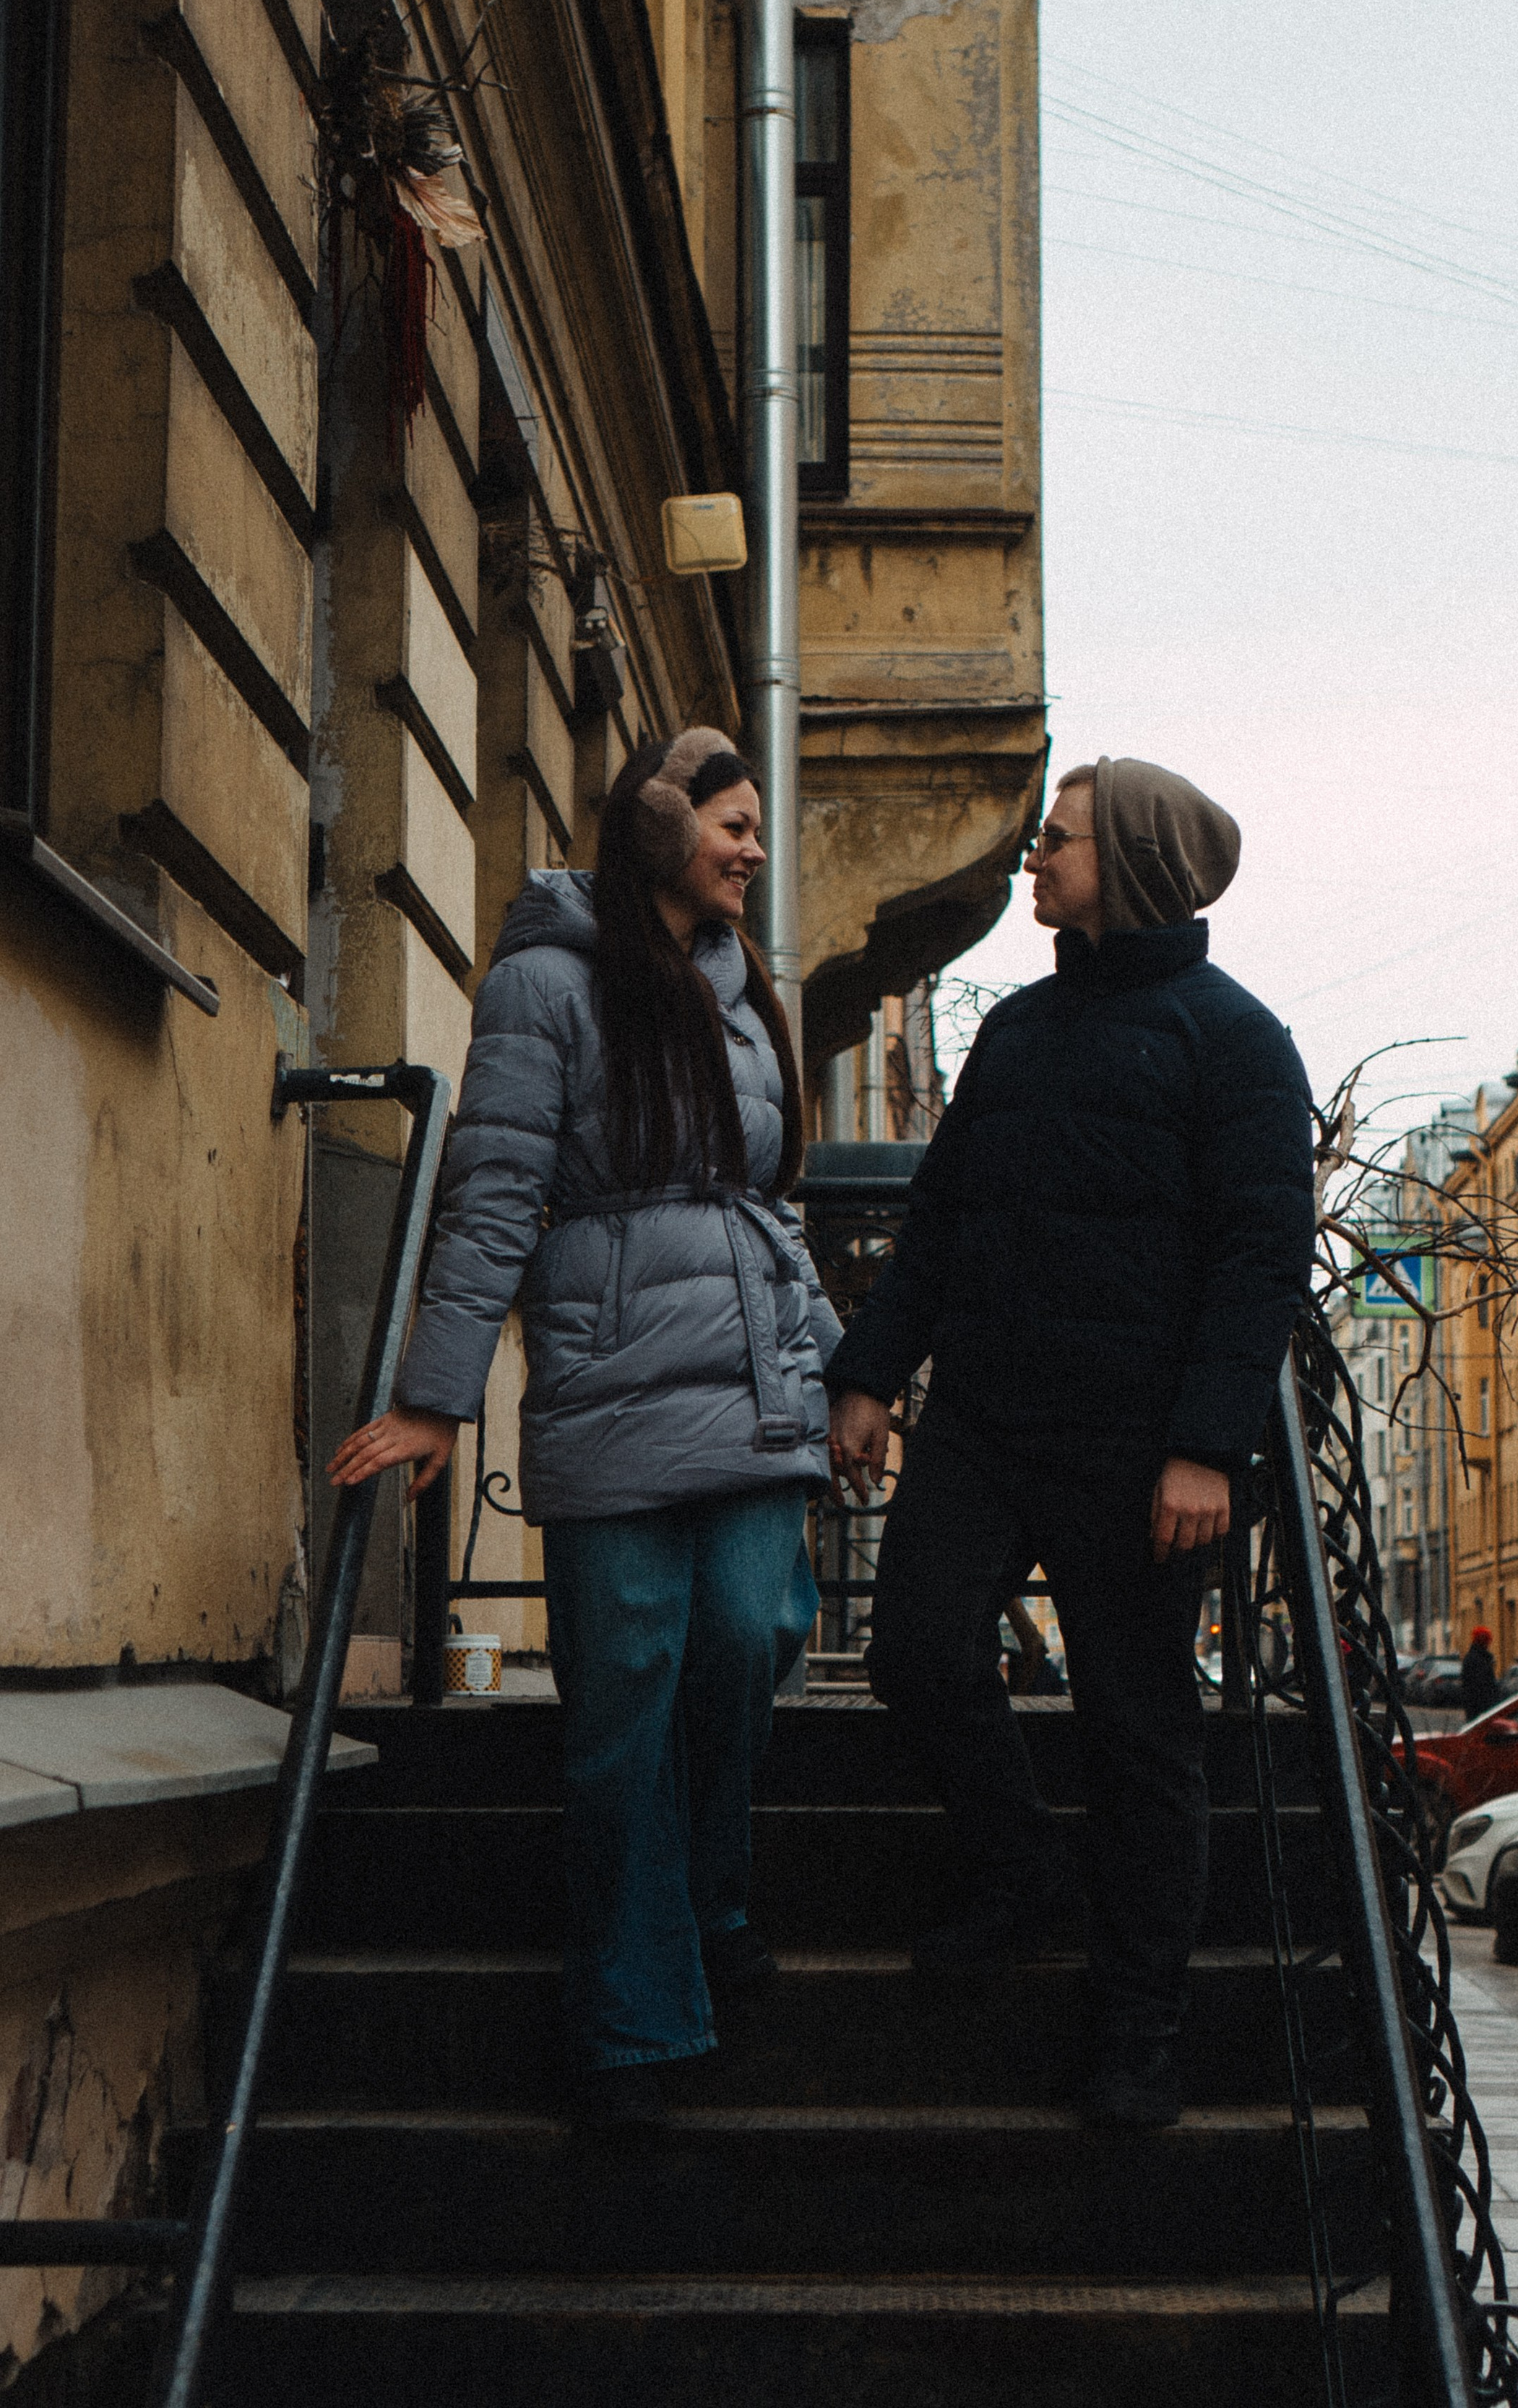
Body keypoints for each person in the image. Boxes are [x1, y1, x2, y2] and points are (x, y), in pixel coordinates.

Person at [327, 729, 839, 2128]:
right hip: (612, 1386)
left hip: (751, 1385)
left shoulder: (742, 990)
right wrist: (436, 1398)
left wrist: (842, 1373)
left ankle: (715, 1905)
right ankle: (632, 2023)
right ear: (660, 826)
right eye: (732, 824)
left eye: (754, 829)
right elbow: (493, 1193)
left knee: (749, 1640)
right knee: (621, 1705)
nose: (750, 850)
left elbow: (768, 1213)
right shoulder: (545, 984)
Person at [827, 757, 1315, 2129]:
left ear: (1137, 861)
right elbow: (939, 1223)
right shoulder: (1020, 1032)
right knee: (916, 1652)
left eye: (1060, 838)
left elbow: (1259, 1258)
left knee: (1140, 1734)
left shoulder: (1236, 1040)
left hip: (1142, 1450)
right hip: (983, 1421)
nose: (1035, 857)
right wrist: (869, 1374)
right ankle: (1022, 1870)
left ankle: (1138, 2026)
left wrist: (1209, 1446)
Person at [1459, 1627, 1498, 1719]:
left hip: (1474, 1704)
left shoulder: (1472, 1658)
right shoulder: (1481, 1659)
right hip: (1481, 1704)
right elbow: (1483, 1683)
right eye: (1487, 1640)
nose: (1488, 1643)